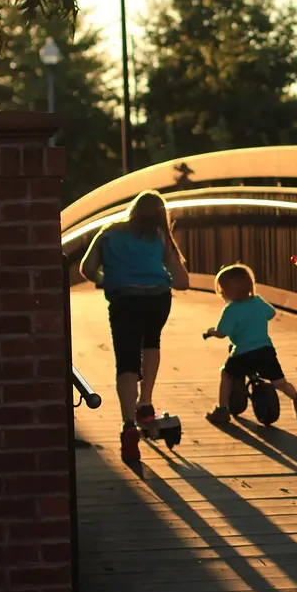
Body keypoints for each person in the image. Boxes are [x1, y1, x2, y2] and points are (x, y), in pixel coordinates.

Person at [80, 190, 190, 462]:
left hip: (124, 298)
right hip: (157, 298)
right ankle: (146, 401)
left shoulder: (108, 232)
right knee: (151, 342)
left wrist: (108, 279)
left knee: (126, 360)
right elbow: (182, 281)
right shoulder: (160, 236)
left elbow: (86, 268)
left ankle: (129, 423)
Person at [203, 263, 297, 426]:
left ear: (225, 290)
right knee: (279, 382)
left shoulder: (230, 310)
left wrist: (211, 332)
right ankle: (296, 398)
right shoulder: (258, 302)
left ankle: (222, 410)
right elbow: (271, 313)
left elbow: (222, 333)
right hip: (266, 351)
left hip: (243, 353)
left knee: (226, 374)